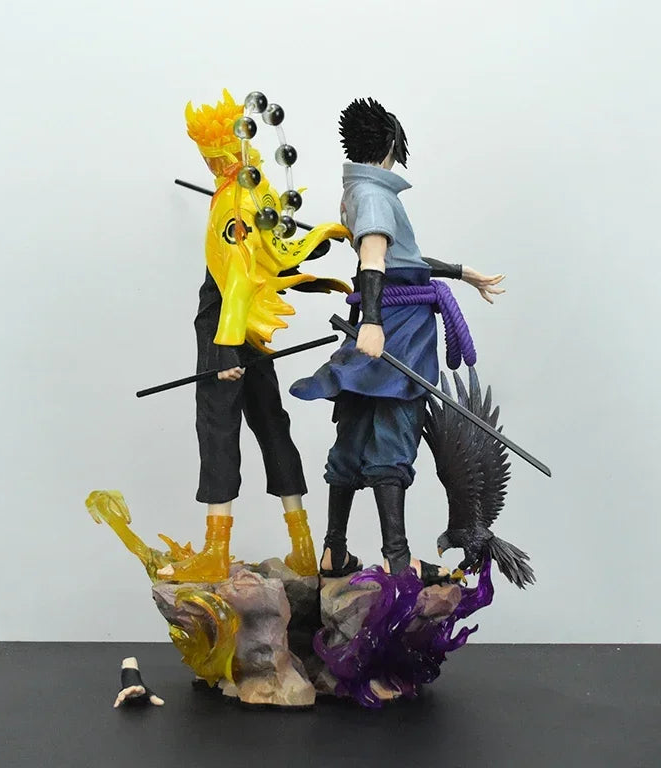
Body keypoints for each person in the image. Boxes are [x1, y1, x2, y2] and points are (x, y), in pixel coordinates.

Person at [291, 98, 504, 584]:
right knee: (393, 426)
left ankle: (335, 551)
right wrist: (371, 321)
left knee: (356, 425)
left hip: (388, 316)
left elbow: (402, 257)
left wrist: (460, 272)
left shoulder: (358, 190)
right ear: (391, 144)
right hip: (396, 327)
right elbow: (373, 257)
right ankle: (397, 558)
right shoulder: (374, 194)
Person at [159, 90, 349, 583]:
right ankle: (303, 547)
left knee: (218, 427)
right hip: (253, 331)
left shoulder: (230, 200)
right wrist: (315, 243)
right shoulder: (258, 188)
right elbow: (276, 249)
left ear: (217, 154)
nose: (206, 163)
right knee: (270, 421)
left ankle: (215, 551)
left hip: (225, 324)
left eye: (207, 155)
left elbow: (238, 277)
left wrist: (224, 348)